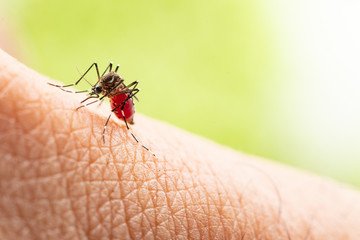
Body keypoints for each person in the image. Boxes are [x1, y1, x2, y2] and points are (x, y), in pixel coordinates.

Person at [0, 49, 359, 239]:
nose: (100, 90)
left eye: (101, 89)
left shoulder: (117, 95)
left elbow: (126, 89)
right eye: (104, 90)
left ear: (108, 91)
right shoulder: (104, 82)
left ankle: (118, 123)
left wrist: (117, 114)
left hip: (123, 113)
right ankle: (71, 90)